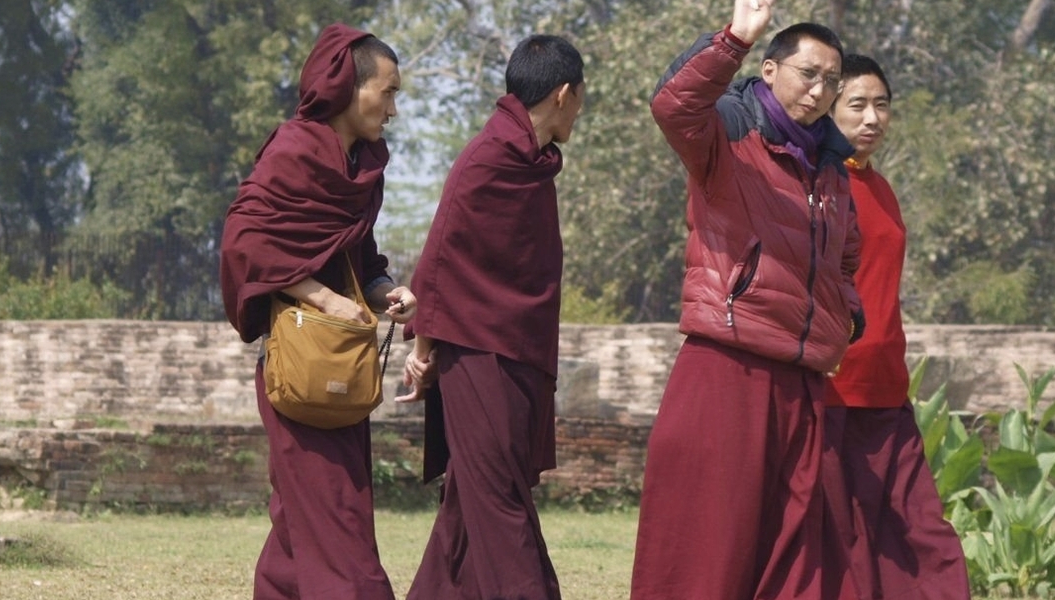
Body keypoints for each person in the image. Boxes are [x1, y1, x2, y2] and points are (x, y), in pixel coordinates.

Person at [630, 0, 865, 598]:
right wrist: (735, 37)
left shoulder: (831, 167)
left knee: (796, 553)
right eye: (807, 74)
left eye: (831, 81)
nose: (819, 90)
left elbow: (845, 254)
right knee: (707, 547)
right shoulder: (729, 138)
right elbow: (672, 105)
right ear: (769, 71)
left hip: (803, 378)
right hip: (728, 367)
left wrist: (846, 314)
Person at [218, 24, 411, 600]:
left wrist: (384, 292)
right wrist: (324, 298)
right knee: (338, 523)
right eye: (389, 92)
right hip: (301, 362)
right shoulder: (295, 150)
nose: (395, 110)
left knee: (303, 524)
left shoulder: (361, 165)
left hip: (341, 365)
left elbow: (360, 254)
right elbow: (244, 240)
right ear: (349, 88)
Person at [396, 34, 585, 600]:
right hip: (479, 358)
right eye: (581, 100)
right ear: (564, 94)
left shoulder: (526, 160)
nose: (580, 111)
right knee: (499, 502)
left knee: (467, 512)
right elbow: (439, 262)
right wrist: (424, 355)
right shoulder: (489, 158)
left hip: (516, 355)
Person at [828, 53, 971, 600]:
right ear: (827, 108)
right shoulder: (814, 183)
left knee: (921, 532)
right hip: (831, 386)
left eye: (881, 105)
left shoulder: (881, 189)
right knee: (844, 536)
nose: (871, 118)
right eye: (857, 105)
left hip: (886, 384)